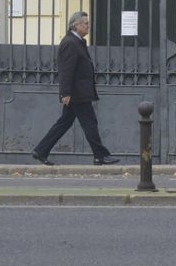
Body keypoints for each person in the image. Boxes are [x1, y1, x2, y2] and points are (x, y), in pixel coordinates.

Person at [31, 11, 119, 165]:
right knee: (90, 123)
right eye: (85, 23)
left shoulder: (76, 42)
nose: (88, 26)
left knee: (64, 122)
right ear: (76, 25)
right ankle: (100, 155)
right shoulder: (70, 43)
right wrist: (65, 93)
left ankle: (40, 150)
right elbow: (66, 70)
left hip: (78, 92)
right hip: (77, 94)